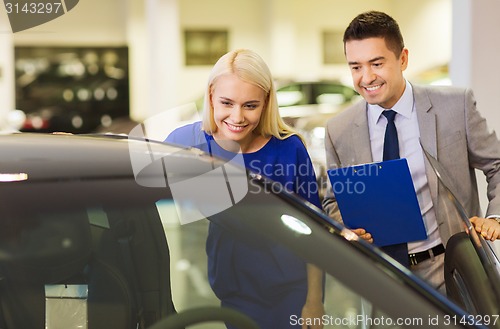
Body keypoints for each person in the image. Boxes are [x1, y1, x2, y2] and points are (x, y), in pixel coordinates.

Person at [322, 10, 500, 293]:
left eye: (376, 63)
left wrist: (495, 217)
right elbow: (333, 200)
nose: (366, 77)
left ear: (402, 58)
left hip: (452, 269)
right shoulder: (338, 130)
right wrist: (347, 227)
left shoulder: (455, 106)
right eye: (355, 67)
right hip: (382, 276)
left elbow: (497, 165)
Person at [166, 48, 324, 328]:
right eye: (227, 103)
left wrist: (314, 301)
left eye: (250, 105)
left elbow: (314, 232)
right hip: (233, 297)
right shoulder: (190, 143)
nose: (237, 117)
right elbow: (129, 166)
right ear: (211, 95)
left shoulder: (289, 148)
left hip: (292, 296)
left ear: (266, 102)